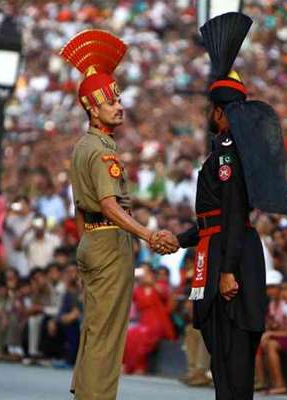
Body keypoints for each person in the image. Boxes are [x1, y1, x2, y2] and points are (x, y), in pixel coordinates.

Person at [170, 12, 287, 400]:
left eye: (211, 109)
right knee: (224, 358)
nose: (208, 116)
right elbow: (213, 216)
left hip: (230, 255)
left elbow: (234, 211)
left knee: (232, 359)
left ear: (220, 113)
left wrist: (224, 272)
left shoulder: (226, 153)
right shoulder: (228, 151)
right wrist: (179, 240)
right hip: (223, 245)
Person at [59, 29, 177, 399]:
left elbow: (81, 208)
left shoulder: (83, 147)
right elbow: (110, 204)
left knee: (95, 328)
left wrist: (88, 243)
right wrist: (148, 235)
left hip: (93, 241)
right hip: (109, 243)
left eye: (118, 98)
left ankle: (85, 391)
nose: (118, 106)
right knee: (108, 335)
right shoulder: (103, 152)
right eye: (110, 101)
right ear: (92, 109)